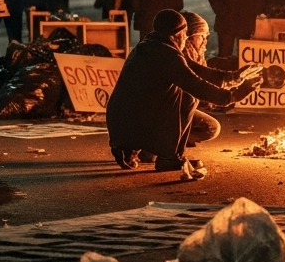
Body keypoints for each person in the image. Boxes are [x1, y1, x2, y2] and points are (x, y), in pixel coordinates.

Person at [106, 9, 262, 175]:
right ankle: (170, 157)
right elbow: (196, 85)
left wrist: (233, 78)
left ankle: (133, 148)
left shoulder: (152, 44)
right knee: (188, 97)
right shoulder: (167, 55)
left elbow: (197, 71)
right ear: (177, 34)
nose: (187, 37)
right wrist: (233, 96)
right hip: (135, 124)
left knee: (187, 105)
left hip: (122, 125)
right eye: (186, 33)